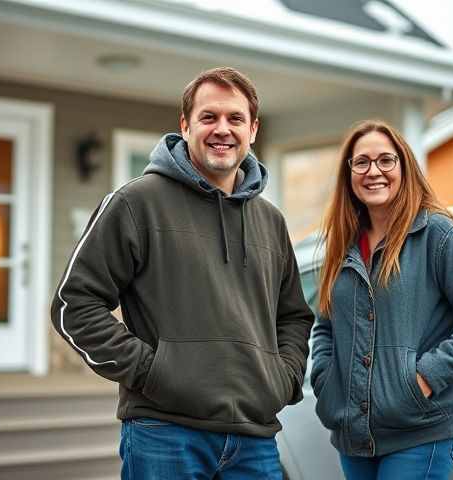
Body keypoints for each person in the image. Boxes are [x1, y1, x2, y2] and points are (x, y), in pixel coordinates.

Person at [51, 67, 314, 479]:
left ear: (254, 130)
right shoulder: (136, 203)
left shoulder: (270, 221)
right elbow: (75, 305)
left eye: (235, 119)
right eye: (209, 117)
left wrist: (281, 379)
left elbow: (294, 316)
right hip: (165, 433)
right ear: (185, 124)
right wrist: (151, 372)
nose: (222, 129)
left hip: (255, 438)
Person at [310, 120, 453, 480]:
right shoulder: (343, 243)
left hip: (420, 430)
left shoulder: (439, 234)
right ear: (349, 172)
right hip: (355, 436)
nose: (374, 172)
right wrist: (326, 380)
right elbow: (326, 324)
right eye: (362, 162)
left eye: (386, 160)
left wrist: (424, 378)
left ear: (404, 167)